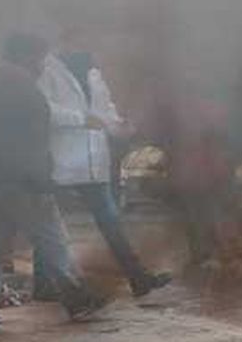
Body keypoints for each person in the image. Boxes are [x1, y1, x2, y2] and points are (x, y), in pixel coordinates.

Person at [0, 33, 106, 328]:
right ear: (26, 56)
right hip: (24, 181)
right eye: (40, 58)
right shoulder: (23, 89)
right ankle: (78, 300)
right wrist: (41, 180)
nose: (43, 65)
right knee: (53, 240)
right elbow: (31, 141)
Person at [35, 48, 170, 298]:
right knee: (48, 225)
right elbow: (43, 108)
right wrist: (80, 119)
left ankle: (138, 278)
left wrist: (119, 126)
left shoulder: (95, 74)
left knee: (111, 222)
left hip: (94, 163)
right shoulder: (48, 71)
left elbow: (105, 111)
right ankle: (43, 285)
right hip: (61, 162)